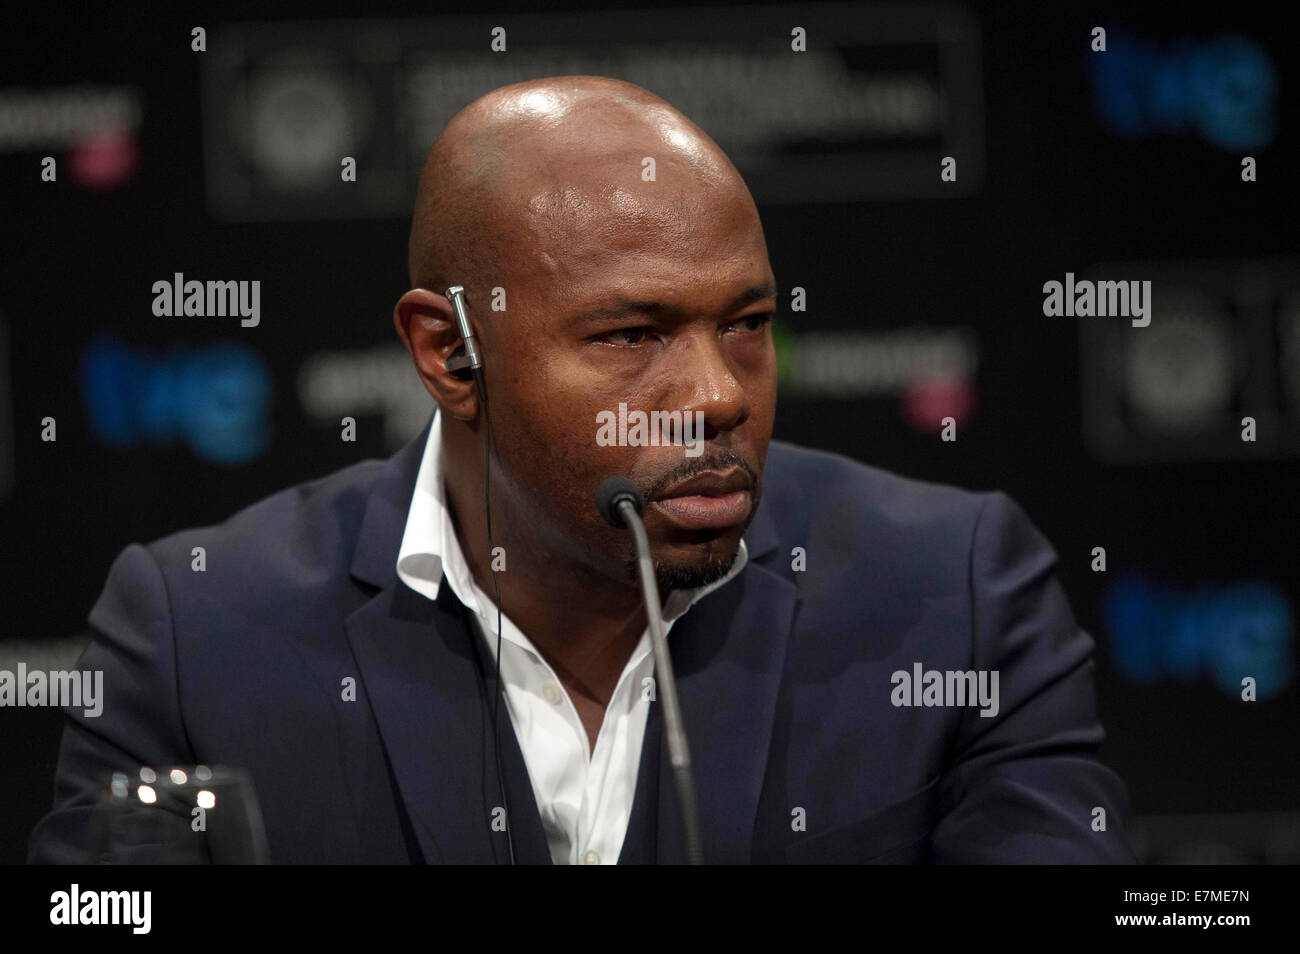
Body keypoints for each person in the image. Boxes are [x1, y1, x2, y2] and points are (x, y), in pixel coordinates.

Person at [30, 76, 1133, 864]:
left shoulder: (955, 594)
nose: (718, 394)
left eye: (746, 323)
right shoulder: (195, 631)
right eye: (629, 335)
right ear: (450, 353)